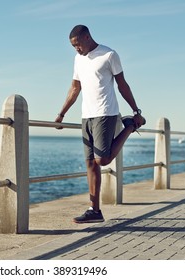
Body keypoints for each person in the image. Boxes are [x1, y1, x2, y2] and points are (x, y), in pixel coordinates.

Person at [55, 25, 146, 223]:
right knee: (90, 163)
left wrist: (136, 111)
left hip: (106, 112)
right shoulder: (78, 59)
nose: (76, 49)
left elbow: (122, 85)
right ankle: (94, 210)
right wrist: (62, 113)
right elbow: (75, 88)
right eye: (73, 46)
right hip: (86, 115)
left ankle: (129, 125)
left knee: (102, 160)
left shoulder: (109, 55)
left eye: (78, 44)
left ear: (87, 37)